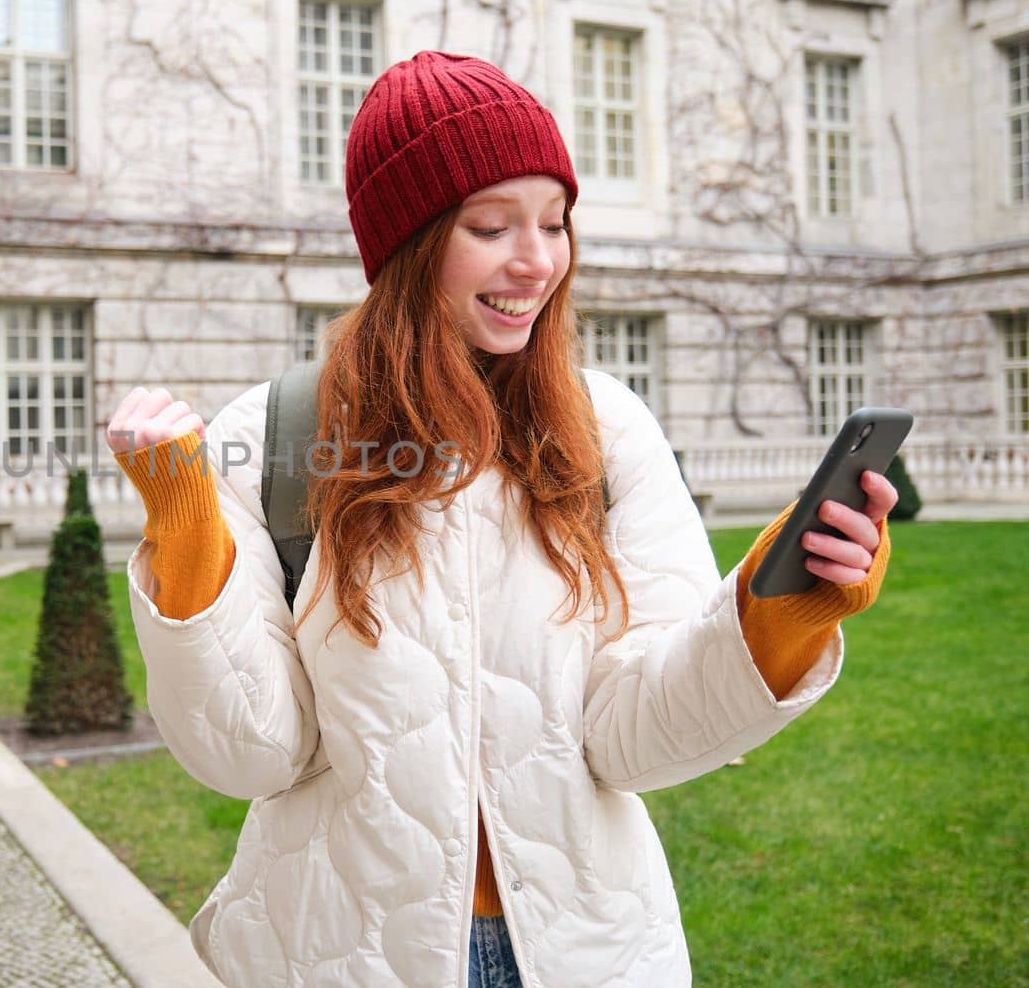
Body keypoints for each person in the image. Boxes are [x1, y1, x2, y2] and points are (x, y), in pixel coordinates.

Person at [104, 51, 895, 988]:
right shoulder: (277, 435)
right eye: (491, 225)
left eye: (555, 223)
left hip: (590, 953)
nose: (538, 261)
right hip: (340, 956)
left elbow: (631, 736)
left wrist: (781, 611)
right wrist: (188, 531)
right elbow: (253, 751)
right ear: (408, 243)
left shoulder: (608, 430)